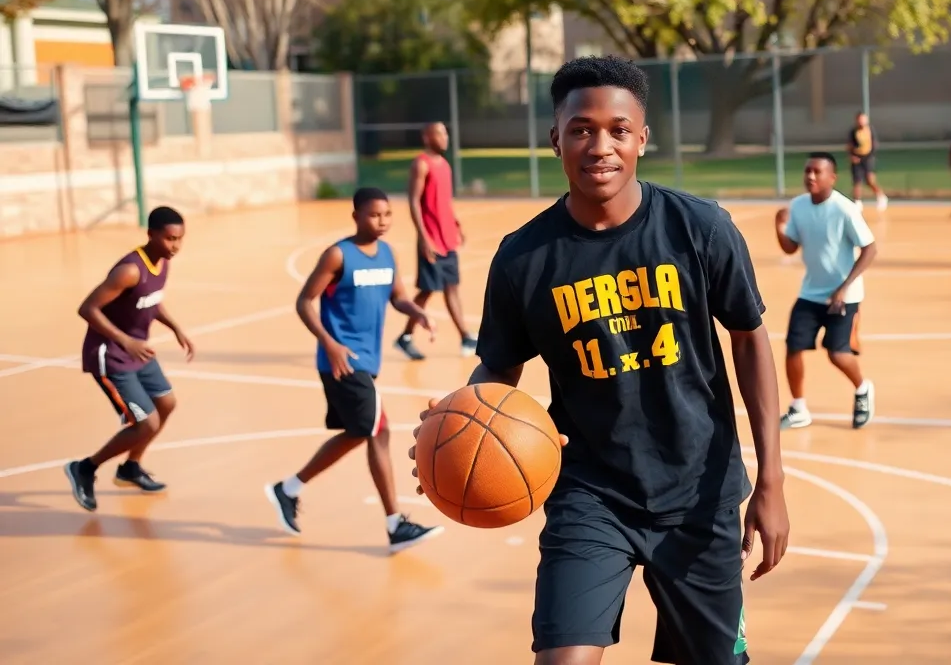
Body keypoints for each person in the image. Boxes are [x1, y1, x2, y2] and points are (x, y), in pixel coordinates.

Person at [410, 56, 790, 665]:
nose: (600, 145)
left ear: (643, 138)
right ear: (555, 136)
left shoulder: (700, 229)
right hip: (589, 491)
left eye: (618, 129)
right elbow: (498, 372)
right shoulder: (523, 258)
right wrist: (455, 423)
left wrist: (770, 480)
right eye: (582, 129)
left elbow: (748, 338)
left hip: (698, 491)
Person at [265, 187, 443, 553]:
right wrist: (329, 343)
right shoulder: (338, 255)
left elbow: (397, 297)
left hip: (367, 361)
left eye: (387, 214)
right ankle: (395, 525)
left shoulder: (388, 254)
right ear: (356, 216)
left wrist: (418, 312)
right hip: (343, 362)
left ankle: (289, 488)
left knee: (359, 431)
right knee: (377, 430)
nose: (382, 221)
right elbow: (304, 302)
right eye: (374, 214)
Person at [65, 206, 194, 511]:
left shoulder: (162, 262)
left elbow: (150, 301)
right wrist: (124, 339)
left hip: (136, 351)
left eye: (180, 239)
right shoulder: (129, 270)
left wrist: (175, 327)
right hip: (109, 356)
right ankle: (84, 468)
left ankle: (130, 468)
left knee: (167, 403)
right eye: (169, 239)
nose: (175, 245)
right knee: (146, 423)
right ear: (150, 234)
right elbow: (87, 308)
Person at [774, 154, 877, 431]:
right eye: (807, 170)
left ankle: (862, 388)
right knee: (793, 348)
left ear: (832, 177)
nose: (810, 176)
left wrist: (843, 288)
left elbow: (870, 248)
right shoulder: (798, 206)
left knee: (837, 353)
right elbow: (790, 248)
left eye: (817, 172)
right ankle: (798, 408)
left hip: (845, 294)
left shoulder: (845, 209)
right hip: (811, 292)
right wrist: (779, 226)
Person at [395, 121, 477, 360]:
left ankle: (464, 336)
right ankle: (406, 336)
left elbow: (443, 201)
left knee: (451, 287)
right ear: (426, 137)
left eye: (445, 133)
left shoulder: (445, 165)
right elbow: (413, 201)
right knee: (427, 290)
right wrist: (423, 238)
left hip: (447, 238)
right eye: (439, 133)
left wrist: (456, 223)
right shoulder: (421, 164)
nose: (444, 137)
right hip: (430, 240)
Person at [847, 112, 888, 211]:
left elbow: (874, 144)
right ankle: (857, 202)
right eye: (859, 119)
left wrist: (871, 156)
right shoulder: (853, 131)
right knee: (857, 181)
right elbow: (849, 145)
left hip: (868, 158)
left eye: (863, 119)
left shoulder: (870, 130)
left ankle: (881, 196)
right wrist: (852, 156)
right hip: (857, 158)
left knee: (870, 180)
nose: (861, 121)